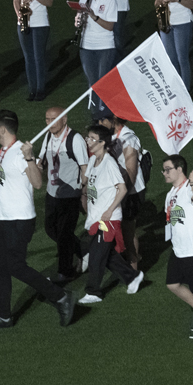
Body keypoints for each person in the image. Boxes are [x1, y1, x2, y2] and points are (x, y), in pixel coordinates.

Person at [0, 110, 76, 329]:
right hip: (3, 219)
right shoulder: (3, 152)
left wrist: (30, 158)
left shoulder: (20, 152)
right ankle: (4, 315)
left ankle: (61, 297)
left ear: (2, 129)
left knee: (15, 265)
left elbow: (37, 183)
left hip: (19, 221)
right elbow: (0, 181)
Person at [77, 125, 144, 305]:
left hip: (108, 219)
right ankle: (131, 277)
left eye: (91, 138)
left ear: (102, 142)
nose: (87, 141)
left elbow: (122, 189)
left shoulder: (109, 163)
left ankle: (93, 292)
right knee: (106, 255)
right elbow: (88, 182)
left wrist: (109, 210)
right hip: (96, 217)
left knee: (97, 256)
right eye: (87, 137)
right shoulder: (93, 161)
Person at [162, 155, 193, 339]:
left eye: (168, 169)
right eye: (164, 170)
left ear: (179, 169)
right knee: (172, 284)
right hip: (179, 249)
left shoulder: (189, 188)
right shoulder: (170, 194)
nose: (164, 173)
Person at [37, 106, 89, 283]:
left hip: (70, 195)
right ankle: (83, 251)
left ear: (64, 119)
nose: (49, 123)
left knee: (65, 234)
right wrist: (36, 165)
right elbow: (42, 159)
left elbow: (84, 168)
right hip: (52, 193)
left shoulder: (75, 140)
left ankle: (65, 272)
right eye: (46, 119)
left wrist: (83, 193)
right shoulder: (48, 136)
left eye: (53, 119)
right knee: (51, 229)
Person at [101, 116, 147, 270]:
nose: (100, 123)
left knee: (128, 230)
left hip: (130, 191)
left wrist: (121, 196)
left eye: (103, 119)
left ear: (113, 119)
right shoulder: (106, 136)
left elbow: (131, 172)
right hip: (112, 190)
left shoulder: (128, 138)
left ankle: (133, 267)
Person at [77, 0, 119, 120]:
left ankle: (106, 113)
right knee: (92, 81)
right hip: (86, 46)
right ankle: (95, 113)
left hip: (105, 47)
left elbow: (109, 26)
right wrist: (78, 21)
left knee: (103, 81)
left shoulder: (110, 1)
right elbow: (81, 22)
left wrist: (93, 15)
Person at [12, 0, 55, 101]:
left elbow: (50, 2)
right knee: (28, 57)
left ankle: (41, 89)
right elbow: (16, 0)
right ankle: (32, 89)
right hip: (23, 21)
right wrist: (19, 14)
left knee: (38, 57)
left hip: (40, 23)